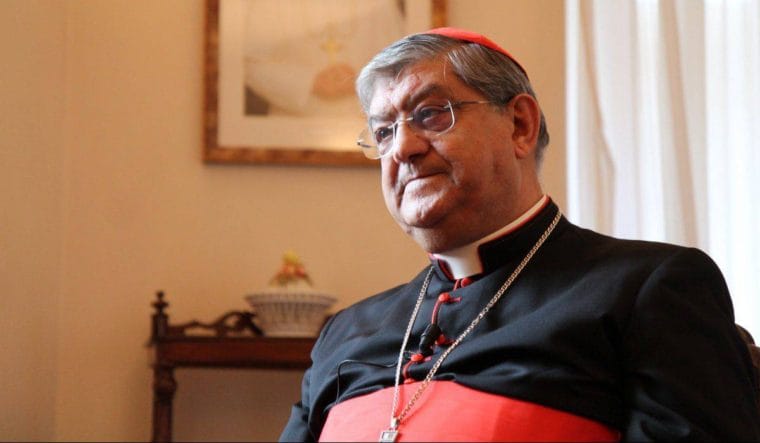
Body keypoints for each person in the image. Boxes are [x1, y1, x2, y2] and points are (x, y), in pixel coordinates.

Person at [279, 27, 760, 442]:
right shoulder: (345, 332)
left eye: (431, 113)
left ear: (520, 126)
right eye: (383, 131)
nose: (402, 147)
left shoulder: (646, 289)